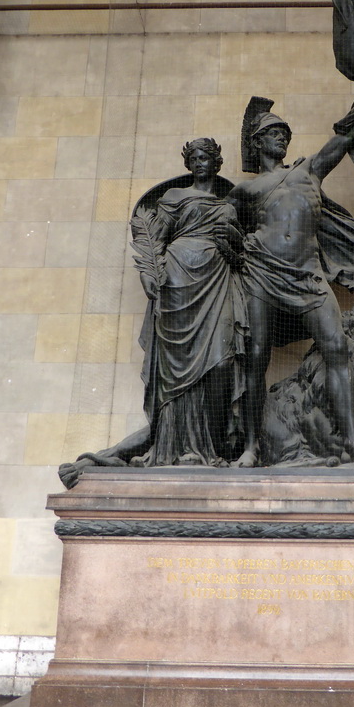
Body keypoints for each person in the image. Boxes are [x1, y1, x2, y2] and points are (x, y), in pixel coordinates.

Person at [228, 63, 354, 468]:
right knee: (256, 355)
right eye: (274, 132)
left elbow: (345, 137)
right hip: (262, 274)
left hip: (308, 274)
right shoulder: (245, 191)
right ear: (257, 141)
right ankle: (251, 446)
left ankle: (352, 440)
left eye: (285, 133)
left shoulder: (309, 170)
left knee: (337, 348)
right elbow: (218, 231)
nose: (282, 137)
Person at [133, 138, 247, 466]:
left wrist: (235, 252)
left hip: (218, 281)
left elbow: (243, 251)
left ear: (216, 162)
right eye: (194, 158)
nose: (199, 163)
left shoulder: (230, 205)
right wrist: (147, 273)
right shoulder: (174, 197)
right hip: (178, 279)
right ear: (188, 163)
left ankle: (213, 448)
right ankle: (173, 448)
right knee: (176, 367)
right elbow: (152, 235)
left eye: (205, 157)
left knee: (222, 362)